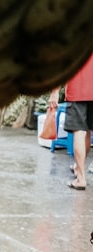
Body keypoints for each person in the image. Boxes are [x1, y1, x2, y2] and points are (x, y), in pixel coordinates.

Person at [58, 53, 93, 190]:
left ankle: (81, 179)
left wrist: (55, 93)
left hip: (78, 88)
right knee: (88, 130)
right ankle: (79, 168)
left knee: (79, 131)